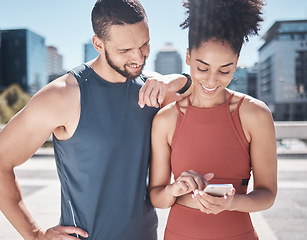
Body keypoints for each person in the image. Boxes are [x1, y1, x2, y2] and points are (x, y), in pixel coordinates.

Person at [0, 0, 192, 239]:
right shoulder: (62, 95)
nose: (139, 57)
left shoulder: (154, 89)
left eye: (145, 45)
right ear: (98, 44)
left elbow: (212, 94)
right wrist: (36, 234)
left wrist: (179, 80)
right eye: (125, 50)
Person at [148, 0, 277, 239]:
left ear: (236, 63)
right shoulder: (166, 119)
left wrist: (231, 203)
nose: (211, 80)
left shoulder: (255, 114)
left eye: (225, 70)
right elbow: (157, 196)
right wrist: (174, 189)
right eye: (203, 67)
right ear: (188, 57)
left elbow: (267, 194)